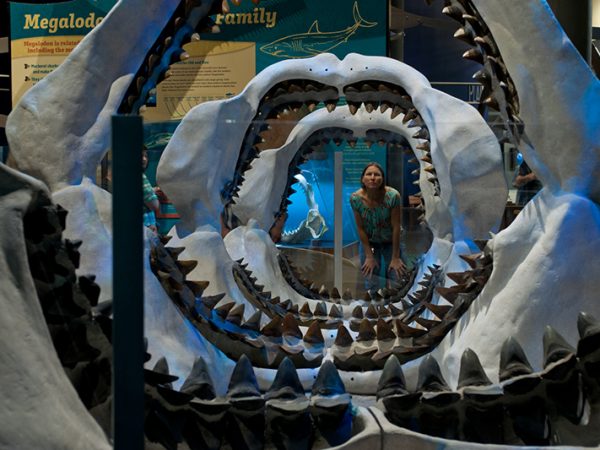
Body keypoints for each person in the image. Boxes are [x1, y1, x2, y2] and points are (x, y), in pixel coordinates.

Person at [350, 162, 406, 294]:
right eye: (369, 174)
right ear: (363, 178)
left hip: (391, 241)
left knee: (397, 279)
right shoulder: (355, 198)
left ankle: (395, 307)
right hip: (370, 242)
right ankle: (373, 307)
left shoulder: (393, 196)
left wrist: (395, 257)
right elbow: (361, 228)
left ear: (382, 178)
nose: (373, 177)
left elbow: (396, 226)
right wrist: (369, 256)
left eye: (377, 174)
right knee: (370, 278)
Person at [142, 148, 160, 233]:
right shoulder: (142, 177)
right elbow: (154, 205)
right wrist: (153, 193)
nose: (144, 159)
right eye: (141, 155)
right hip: (146, 227)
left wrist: (151, 190)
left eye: (146, 156)